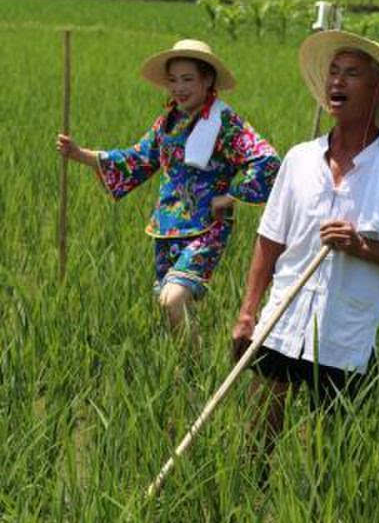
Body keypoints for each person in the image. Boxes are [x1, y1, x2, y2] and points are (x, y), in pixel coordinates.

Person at [232, 30, 379, 449]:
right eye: (334, 73)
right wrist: (249, 312)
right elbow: (270, 239)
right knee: (258, 437)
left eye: (352, 74)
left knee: (332, 450)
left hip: (344, 332)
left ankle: (319, 514)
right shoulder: (300, 159)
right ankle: (250, 505)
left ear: (377, 91)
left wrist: (362, 246)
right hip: (283, 319)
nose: (337, 82)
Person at [57, 39, 280, 330]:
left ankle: (194, 365)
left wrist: (232, 195)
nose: (179, 87)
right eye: (173, 80)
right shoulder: (167, 122)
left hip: (208, 226)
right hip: (167, 225)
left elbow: (267, 159)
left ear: (207, 80)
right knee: (169, 303)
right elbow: (137, 159)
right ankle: (190, 368)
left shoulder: (225, 121)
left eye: (188, 79)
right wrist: (80, 154)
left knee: (171, 299)